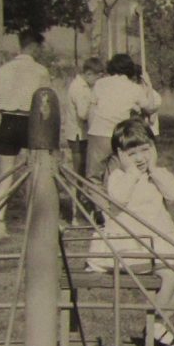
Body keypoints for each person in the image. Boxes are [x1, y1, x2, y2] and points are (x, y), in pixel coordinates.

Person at [87, 118, 174, 346]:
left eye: (145, 150)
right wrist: (131, 172)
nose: (140, 158)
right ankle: (157, 329)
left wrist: (154, 170)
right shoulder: (120, 177)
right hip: (131, 244)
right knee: (170, 275)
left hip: (158, 242)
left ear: (153, 148)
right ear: (120, 154)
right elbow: (118, 199)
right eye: (132, 153)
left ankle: (157, 323)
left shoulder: (157, 174)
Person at [0, 28, 51, 238]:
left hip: (7, 122)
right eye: (40, 47)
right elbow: (46, 104)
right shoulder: (40, 71)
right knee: (35, 173)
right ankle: (35, 222)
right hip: (30, 123)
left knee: (5, 175)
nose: (41, 51)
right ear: (33, 46)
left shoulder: (3, 70)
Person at [85, 53, 161, 188]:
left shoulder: (100, 83)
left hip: (98, 133)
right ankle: (112, 205)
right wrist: (148, 86)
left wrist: (91, 131)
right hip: (118, 135)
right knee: (116, 175)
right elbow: (150, 109)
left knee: (93, 176)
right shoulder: (134, 88)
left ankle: (97, 206)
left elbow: (91, 110)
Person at [64, 57, 104, 222]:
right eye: (97, 77)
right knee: (80, 175)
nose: (98, 81)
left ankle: (83, 209)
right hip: (79, 136)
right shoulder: (79, 88)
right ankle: (76, 213)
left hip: (84, 135)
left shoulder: (85, 86)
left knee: (85, 174)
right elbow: (83, 114)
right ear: (88, 74)